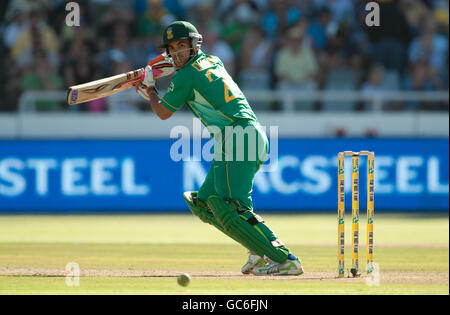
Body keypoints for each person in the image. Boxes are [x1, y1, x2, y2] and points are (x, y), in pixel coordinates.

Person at [134, 21, 303, 276]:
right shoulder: (213, 60)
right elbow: (194, 76)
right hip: (248, 135)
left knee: (229, 205)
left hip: (237, 137)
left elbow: (163, 112)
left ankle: (285, 259)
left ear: (194, 45)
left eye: (182, 45)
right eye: (172, 48)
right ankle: (257, 252)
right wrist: (164, 70)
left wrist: (150, 91)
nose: (177, 52)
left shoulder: (185, 76)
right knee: (204, 203)